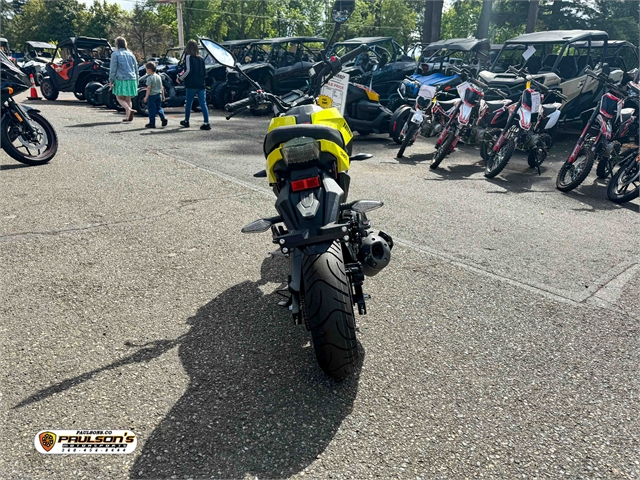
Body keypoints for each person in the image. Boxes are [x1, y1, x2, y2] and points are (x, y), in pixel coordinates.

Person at [178, 39, 210, 130]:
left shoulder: (188, 57)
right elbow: (204, 73)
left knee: (189, 103)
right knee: (203, 103)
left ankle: (186, 121)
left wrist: (180, 78)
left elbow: (188, 70)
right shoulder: (201, 59)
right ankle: (206, 122)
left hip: (191, 84)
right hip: (201, 84)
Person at [109, 36, 139, 122]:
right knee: (128, 99)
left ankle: (129, 109)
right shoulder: (131, 54)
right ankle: (128, 117)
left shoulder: (115, 54)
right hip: (132, 78)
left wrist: (111, 80)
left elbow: (113, 69)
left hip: (120, 79)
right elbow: (136, 68)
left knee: (119, 97)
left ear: (117, 44)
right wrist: (137, 80)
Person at [143, 62, 167, 129]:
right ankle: (163, 117)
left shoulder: (150, 78)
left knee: (151, 109)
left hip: (152, 95)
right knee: (158, 108)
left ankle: (152, 123)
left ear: (149, 70)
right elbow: (162, 87)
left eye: (146, 69)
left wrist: (146, 97)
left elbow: (149, 88)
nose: (146, 71)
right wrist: (163, 96)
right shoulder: (158, 77)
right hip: (159, 94)